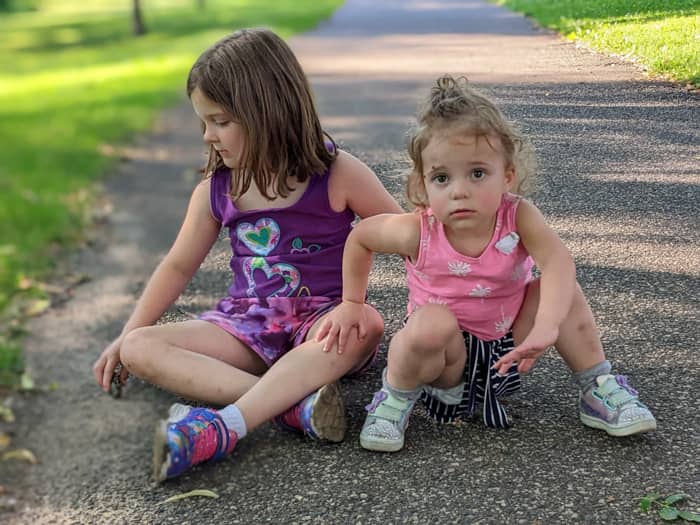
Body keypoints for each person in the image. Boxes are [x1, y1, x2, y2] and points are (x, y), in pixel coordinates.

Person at [92, 28, 403, 481]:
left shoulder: (338, 174)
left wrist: (450, 307)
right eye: (203, 122)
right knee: (141, 346)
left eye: (219, 121)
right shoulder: (216, 192)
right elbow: (178, 266)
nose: (207, 136)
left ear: (267, 112)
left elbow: (404, 235)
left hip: (323, 324)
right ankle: (292, 406)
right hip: (248, 326)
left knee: (368, 323)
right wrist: (125, 334)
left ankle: (235, 418)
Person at [316, 75, 657, 452]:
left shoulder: (519, 216)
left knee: (560, 292)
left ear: (507, 176)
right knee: (431, 320)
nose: (459, 190)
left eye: (477, 173)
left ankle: (598, 386)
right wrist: (352, 303)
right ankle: (395, 396)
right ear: (423, 185)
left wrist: (546, 325)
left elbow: (558, 262)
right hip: (443, 365)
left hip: (507, 355)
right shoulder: (418, 229)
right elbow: (361, 237)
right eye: (442, 178)